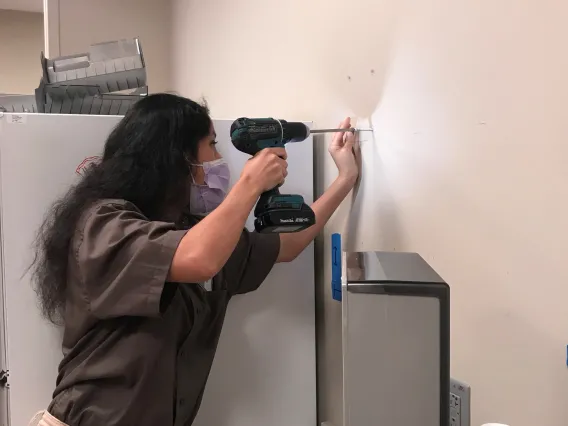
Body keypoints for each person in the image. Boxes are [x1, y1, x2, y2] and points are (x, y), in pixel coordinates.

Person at [30, 93, 360, 426]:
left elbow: (286, 245)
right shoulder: (103, 224)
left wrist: (345, 179)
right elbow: (199, 258)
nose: (219, 160)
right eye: (212, 146)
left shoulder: (195, 233)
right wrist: (250, 184)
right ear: (175, 157)